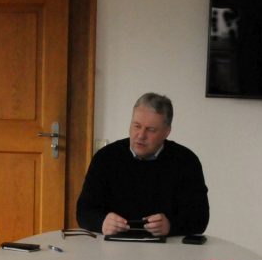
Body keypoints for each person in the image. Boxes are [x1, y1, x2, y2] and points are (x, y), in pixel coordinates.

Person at [76, 93, 209, 237]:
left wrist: (171, 225)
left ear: (166, 132)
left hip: (167, 250)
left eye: (150, 130)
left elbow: (200, 219)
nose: (140, 135)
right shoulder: (106, 158)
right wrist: (101, 222)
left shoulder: (186, 162)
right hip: (113, 247)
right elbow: (83, 211)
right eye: (137, 126)